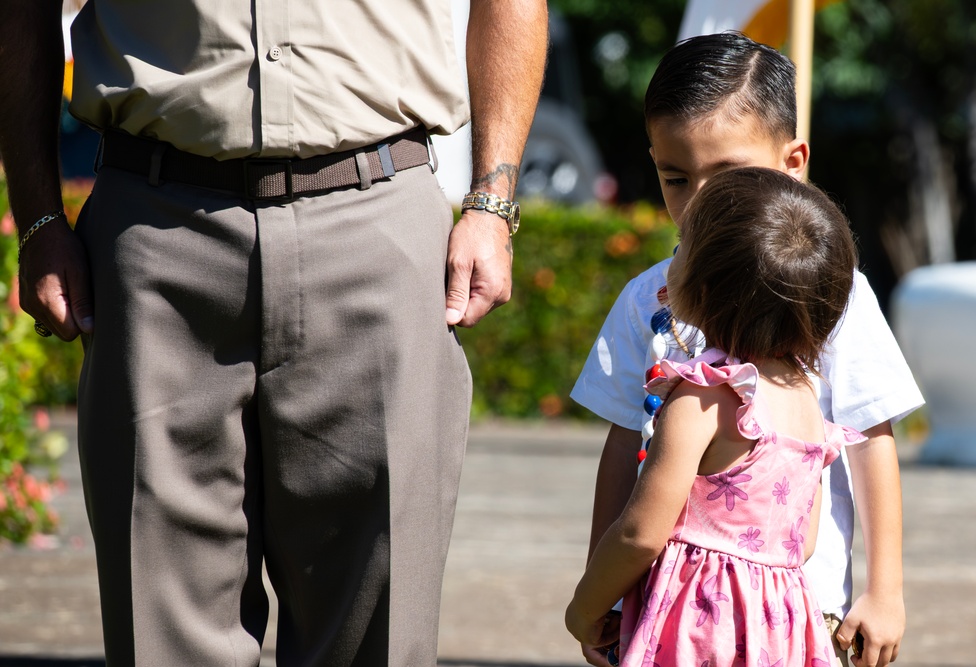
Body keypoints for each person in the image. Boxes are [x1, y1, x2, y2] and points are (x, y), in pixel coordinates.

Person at [0, 0, 547, 665]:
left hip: (376, 221)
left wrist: (492, 203)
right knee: (162, 635)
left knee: (375, 632)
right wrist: (37, 215)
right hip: (155, 237)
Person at [570, 33, 923, 667]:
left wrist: (885, 589)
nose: (701, 202)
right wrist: (608, 587)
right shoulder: (646, 295)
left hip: (799, 613)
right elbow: (625, 440)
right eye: (675, 178)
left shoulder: (834, 294)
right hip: (670, 612)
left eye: (730, 176)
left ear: (793, 163)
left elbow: (870, 433)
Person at [566, 166, 865, 666]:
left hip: (701, 625)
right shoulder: (805, 402)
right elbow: (804, 542)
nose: (672, 262)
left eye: (683, 252)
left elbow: (641, 532)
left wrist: (585, 610)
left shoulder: (704, 398)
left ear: (705, 288)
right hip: (781, 631)